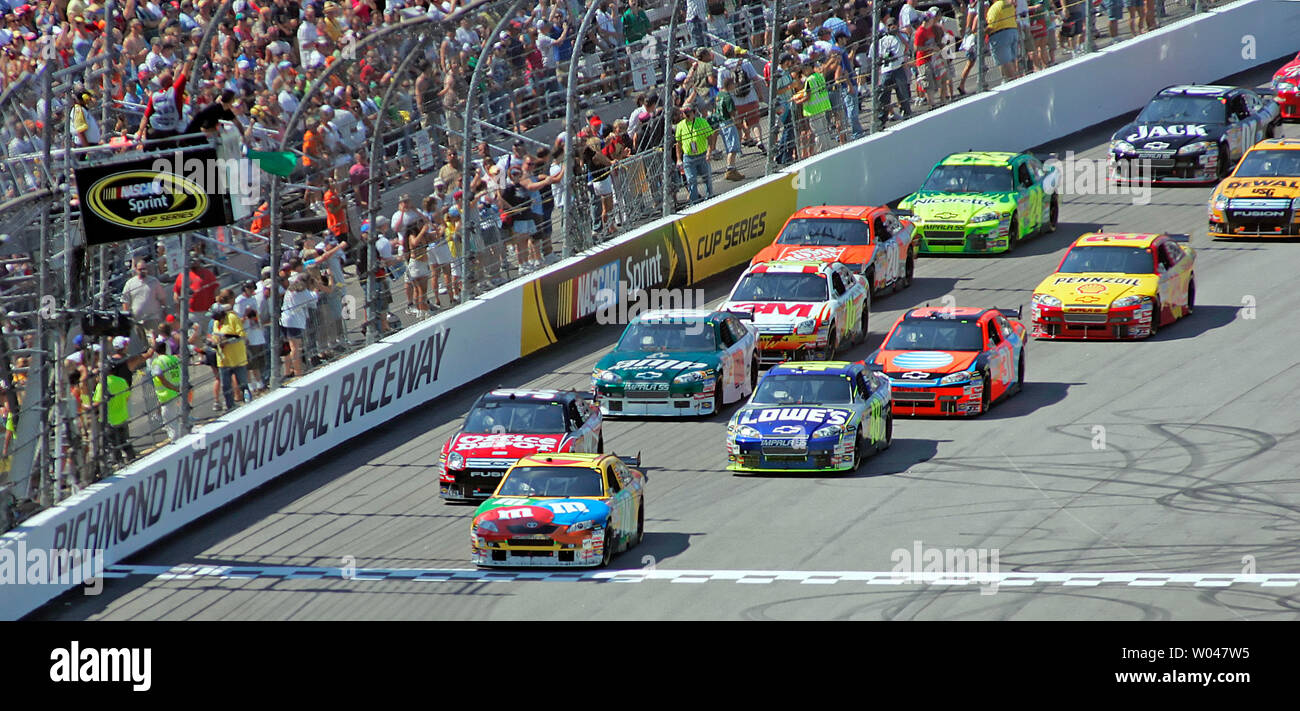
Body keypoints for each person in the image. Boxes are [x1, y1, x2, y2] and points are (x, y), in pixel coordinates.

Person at [209, 291, 252, 411]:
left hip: (237, 358)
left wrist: (228, 340)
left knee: (243, 383)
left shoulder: (232, 317)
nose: (216, 319)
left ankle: (248, 403)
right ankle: (230, 406)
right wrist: (214, 342)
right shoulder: (216, 322)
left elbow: (242, 335)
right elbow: (214, 336)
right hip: (223, 360)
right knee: (225, 386)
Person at [675, 105, 715, 205]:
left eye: (689, 113)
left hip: (702, 155)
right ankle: (694, 201)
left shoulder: (702, 122)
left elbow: (710, 137)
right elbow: (678, 144)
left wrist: (709, 152)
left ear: (694, 112)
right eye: (685, 113)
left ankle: (710, 196)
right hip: (688, 157)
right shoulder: (680, 125)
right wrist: (679, 159)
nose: (687, 115)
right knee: (691, 179)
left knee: (707, 177)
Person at [148, 337, 183, 443]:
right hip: (178, 391)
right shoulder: (173, 359)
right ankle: (179, 437)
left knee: (169, 420)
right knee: (176, 418)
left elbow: (160, 378)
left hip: (166, 394)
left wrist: (172, 387)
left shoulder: (157, 362)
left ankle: (176, 441)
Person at [987, 0, 1021, 82]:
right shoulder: (1009, 4)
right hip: (1012, 31)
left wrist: (981, 33)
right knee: (1012, 60)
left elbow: (991, 26)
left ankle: (1013, 83)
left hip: (1000, 35)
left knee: (1005, 62)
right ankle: (1013, 79)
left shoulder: (994, 8)